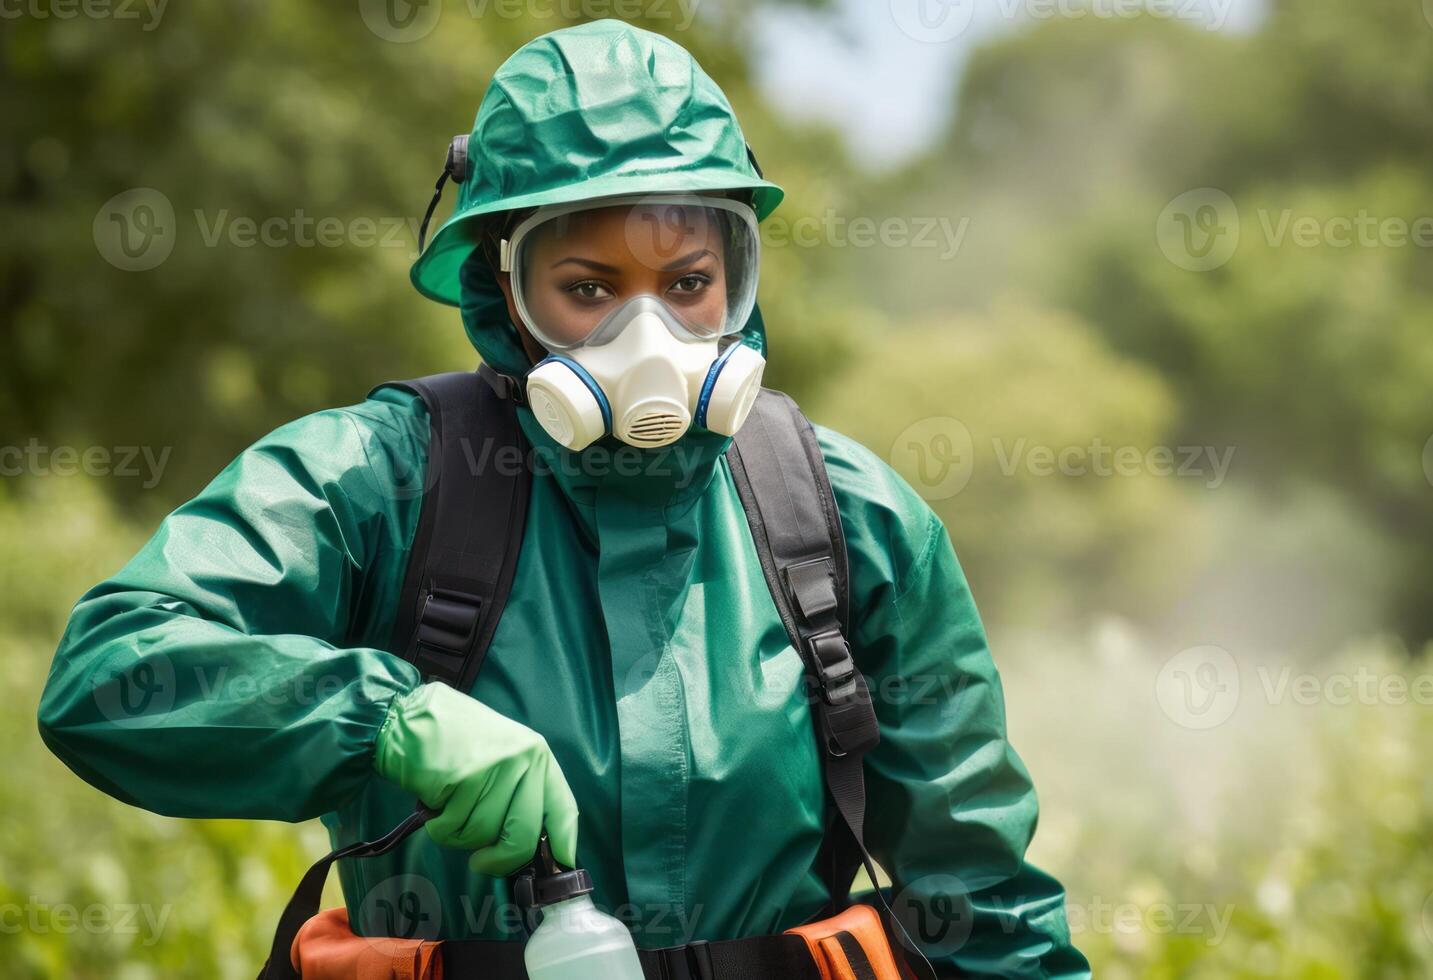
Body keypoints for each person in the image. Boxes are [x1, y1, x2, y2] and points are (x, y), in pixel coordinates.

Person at [38, 19, 1089, 978]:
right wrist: (384, 718)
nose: (649, 341)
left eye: (688, 284)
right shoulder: (381, 483)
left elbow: (984, 910)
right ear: (502, 289)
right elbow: (109, 671)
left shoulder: (844, 518)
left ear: (737, 274)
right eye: (586, 288)